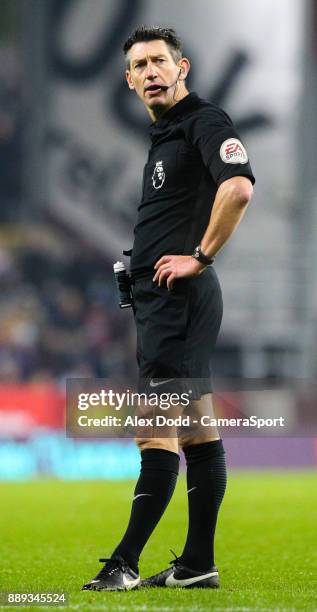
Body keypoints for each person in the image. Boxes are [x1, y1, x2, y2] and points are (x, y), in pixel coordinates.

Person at [82, 25, 255, 592]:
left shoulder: (204, 121)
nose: (152, 71)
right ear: (128, 80)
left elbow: (238, 187)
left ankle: (123, 564)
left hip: (179, 302)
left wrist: (198, 258)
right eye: (141, 65)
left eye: (161, 61)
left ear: (183, 69)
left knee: (152, 433)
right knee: (198, 435)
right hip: (165, 301)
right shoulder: (167, 135)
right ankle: (196, 564)